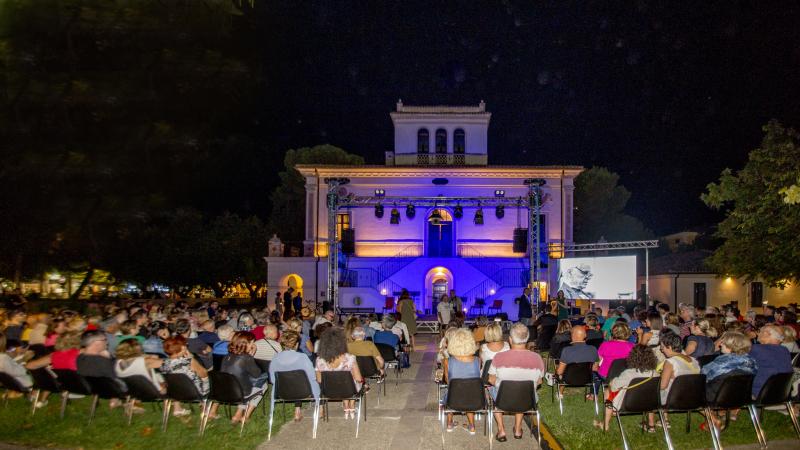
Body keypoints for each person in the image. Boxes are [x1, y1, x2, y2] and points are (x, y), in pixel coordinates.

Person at [488, 323, 545, 442]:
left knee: (490, 389)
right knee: (522, 392)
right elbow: (539, 381)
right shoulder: (537, 358)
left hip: (503, 399)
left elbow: (491, 380)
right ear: (527, 339)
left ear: (509, 339)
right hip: (527, 400)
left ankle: (501, 430)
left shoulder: (499, 357)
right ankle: (518, 429)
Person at [594, 345, 658, 432]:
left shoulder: (629, 373)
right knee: (650, 394)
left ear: (633, 357)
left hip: (628, 404)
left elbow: (613, 388)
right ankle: (651, 425)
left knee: (607, 391)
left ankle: (605, 424)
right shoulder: (655, 374)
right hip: (649, 404)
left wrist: (613, 380)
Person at [701, 331, 757, 430]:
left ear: (731, 346)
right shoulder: (751, 361)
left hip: (717, 395)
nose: (720, 344)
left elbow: (704, 375)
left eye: (723, 342)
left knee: (692, 392)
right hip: (741, 395)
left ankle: (713, 419)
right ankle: (714, 418)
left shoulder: (723, 361)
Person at [269, 331, 320, 422]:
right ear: (297, 344)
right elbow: (312, 377)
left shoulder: (275, 358)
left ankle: (297, 411)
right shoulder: (303, 357)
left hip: (282, 392)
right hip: (305, 391)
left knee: (295, 382)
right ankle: (320, 410)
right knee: (311, 382)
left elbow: (273, 380)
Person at [161, 336, 215, 418]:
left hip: (174, 392)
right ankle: (204, 408)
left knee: (177, 381)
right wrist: (192, 358)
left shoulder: (163, 363)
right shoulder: (188, 361)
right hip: (194, 393)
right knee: (207, 379)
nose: (186, 346)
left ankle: (177, 409)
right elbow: (204, 373)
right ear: (182, 348)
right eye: (185, 345)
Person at [315, 328, 363, 419]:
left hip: (329, 391)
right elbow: (358, 378)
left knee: (343, 382)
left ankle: (346, 405)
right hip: (348, 390)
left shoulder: (319, 360)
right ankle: (351, 405)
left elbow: (319, 380)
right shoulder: (350, 358)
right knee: (352, 381)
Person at [221, 331, 267, 424]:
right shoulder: (246, 358)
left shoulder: (227, 356)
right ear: (245, 344)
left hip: (227, 391)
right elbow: (257, 374)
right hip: (242, 392)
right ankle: (246, 416)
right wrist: (251, 356)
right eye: (252, 342)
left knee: (249, 380)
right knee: (264, 382)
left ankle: (238, 414)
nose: (253, 345)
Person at [442, 328, 481, 434]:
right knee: (469, 390)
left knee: (450, 390)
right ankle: (472, 426)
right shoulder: (478, 361)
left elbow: (448, 381)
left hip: (453, 399)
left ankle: (449, 423)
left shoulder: (448, 361)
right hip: (475, 399)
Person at [749, 324, 792, 399]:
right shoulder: (785, 350)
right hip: (782, 392)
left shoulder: (757, 349)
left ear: (766, 334)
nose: (758, 334)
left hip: (761, 392)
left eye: (760, 331)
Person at [659, 331, 700, 406]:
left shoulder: (671, 362)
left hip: (674, 397)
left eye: (662, 347)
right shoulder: (694, 360)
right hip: (693, 396)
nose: (661, 350)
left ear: (670, 347)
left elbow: (662, 386)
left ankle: (661, 417)